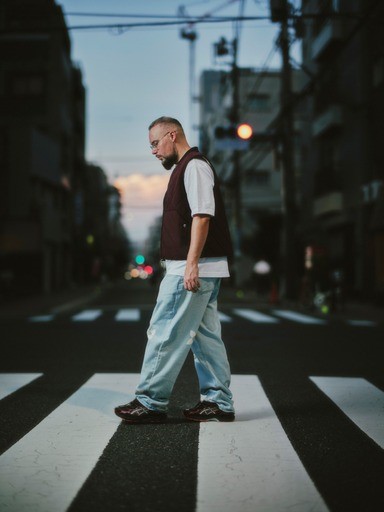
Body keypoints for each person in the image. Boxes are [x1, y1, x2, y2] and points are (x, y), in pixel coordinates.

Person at [115, 116, 235, 423]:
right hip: (203, 268)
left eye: (155, 143)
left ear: (173, 135)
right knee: (205, 339)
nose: (153, 151)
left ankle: (150, 401)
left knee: (165, 332)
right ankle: (218, 402)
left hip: (190, 269)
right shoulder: (187, 167)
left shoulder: (193, 166)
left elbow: (203, 216)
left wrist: (191, 264)